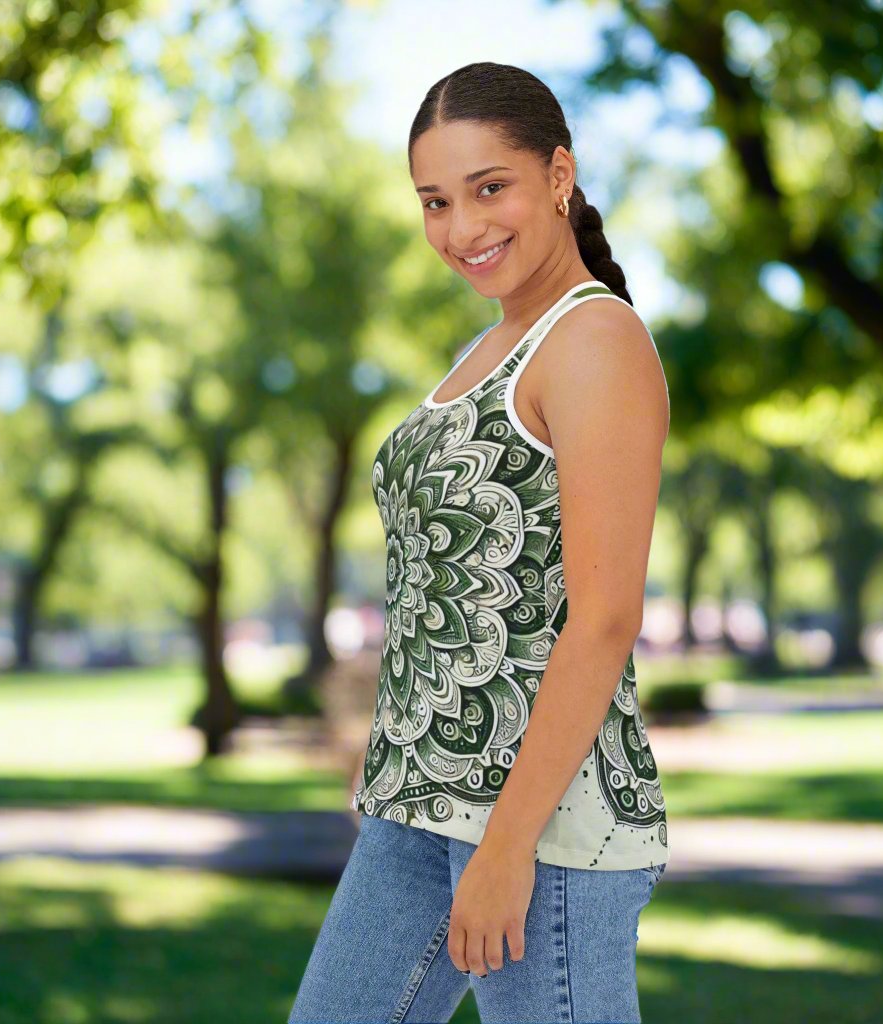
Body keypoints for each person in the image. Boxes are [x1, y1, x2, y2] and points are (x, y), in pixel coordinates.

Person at [289, 60, 671, 1024]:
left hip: (542, 828)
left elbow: (605, 619)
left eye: (488, 188)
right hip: (416, 813)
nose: (462, 229)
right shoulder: (491, 346)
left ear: (558, 176)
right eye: (434, 201)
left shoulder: (595, 341)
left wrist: (507, 848)